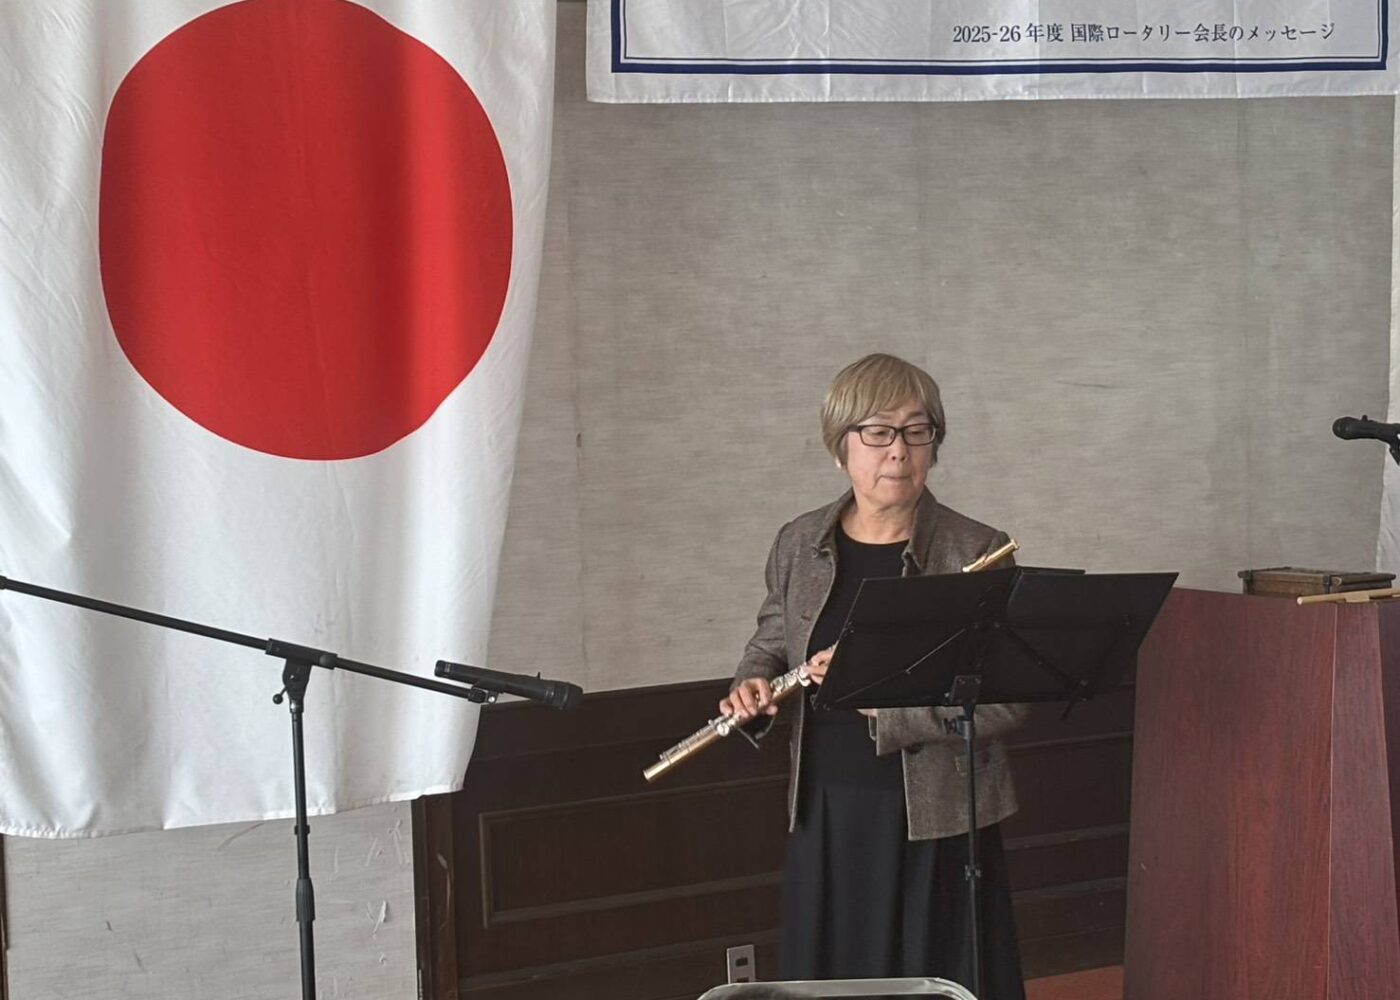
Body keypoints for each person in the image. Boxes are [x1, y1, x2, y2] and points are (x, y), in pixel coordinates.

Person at [720, 353, 1027, 997]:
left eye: (917, 431)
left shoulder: (974, 550)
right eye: (878, 431)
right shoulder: (799, 542)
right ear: (841, 447)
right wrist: (753, 681)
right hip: (828, 803)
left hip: (935, 811)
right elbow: (771, 642)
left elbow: (1006, 702)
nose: (898, 451)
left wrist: (884, 701)